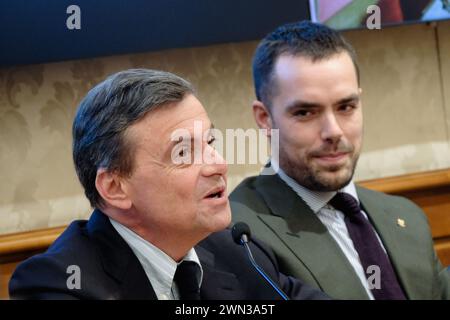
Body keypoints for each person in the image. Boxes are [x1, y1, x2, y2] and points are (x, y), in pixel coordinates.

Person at [8, 69, 328, 300]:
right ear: (115, 188)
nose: (218, 164)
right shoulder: (59, 284)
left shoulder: (236, 249)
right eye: (183, 153)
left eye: (211, 142)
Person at [230, 21, 450, 300]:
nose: (333, 131)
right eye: (305, 113)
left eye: (346, 107)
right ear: (264, 118)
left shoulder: (406, 216)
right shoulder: (241, 235)